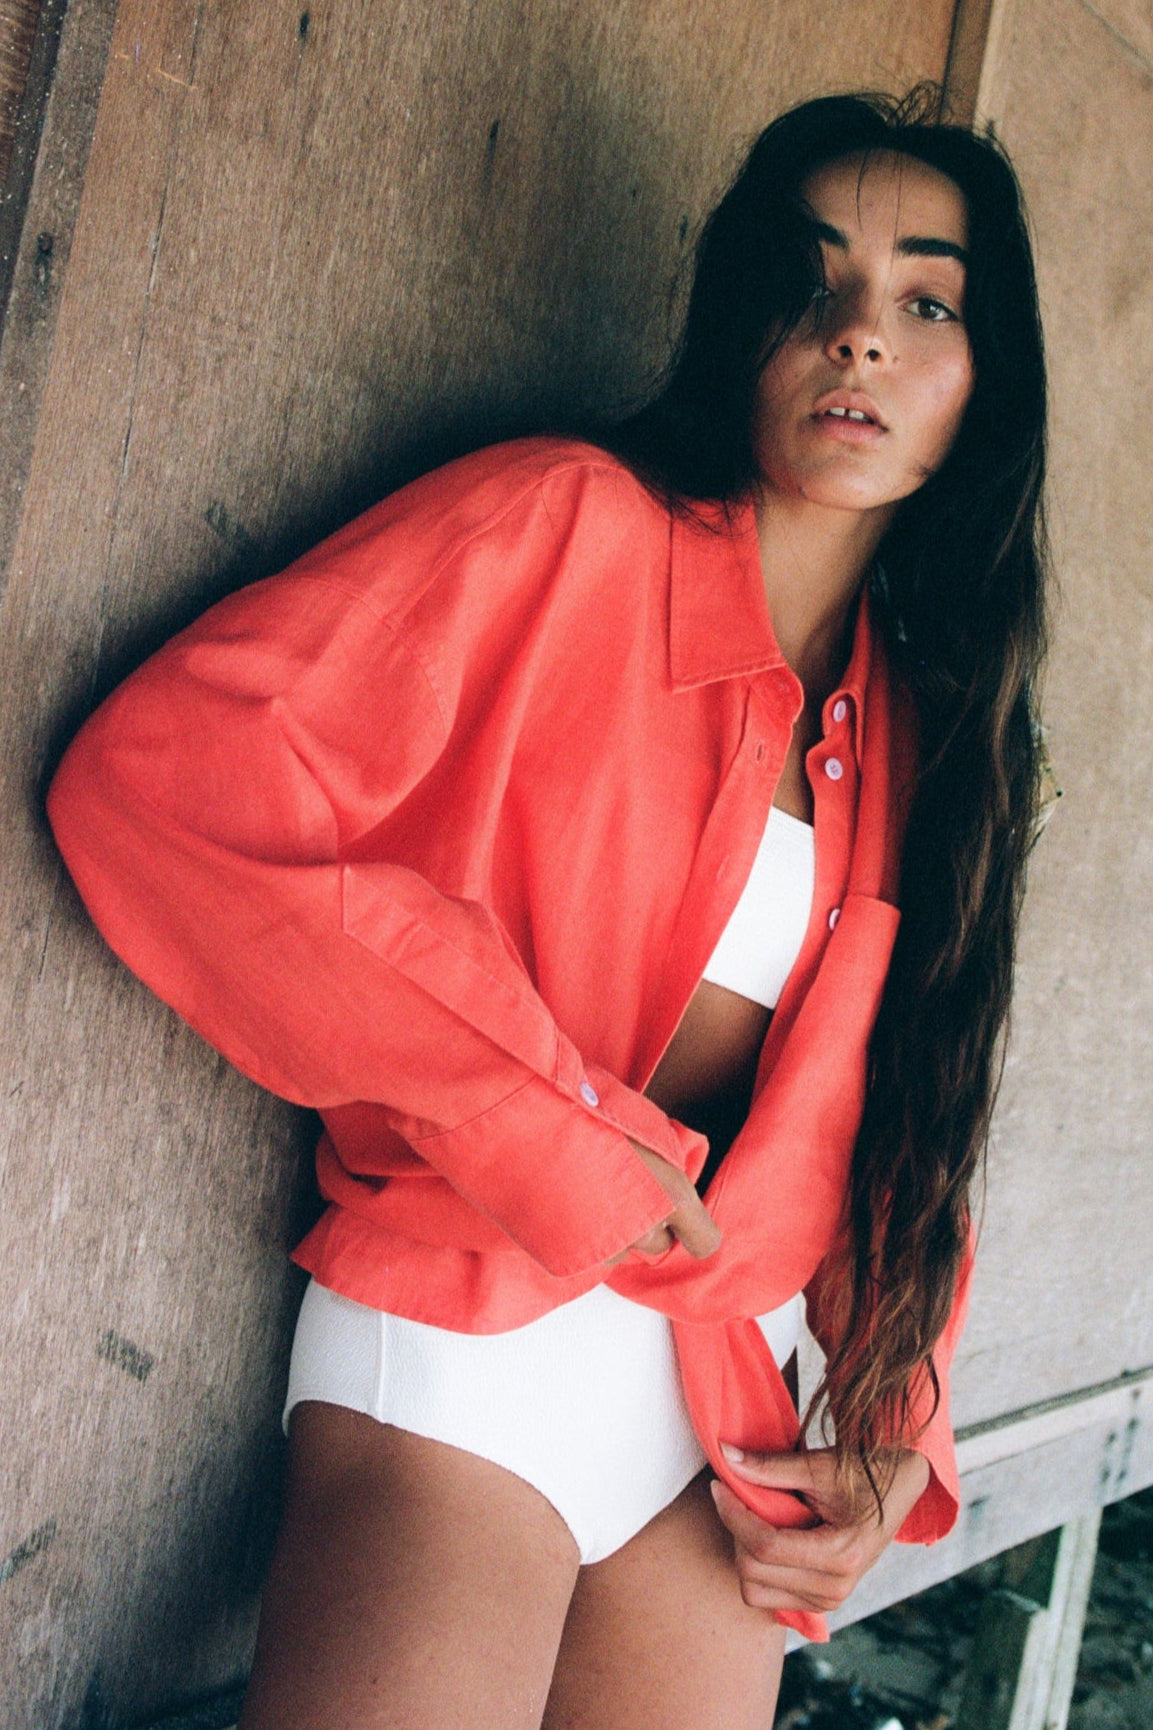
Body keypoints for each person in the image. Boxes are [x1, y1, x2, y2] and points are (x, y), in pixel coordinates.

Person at [46, 86, 1048, 1730]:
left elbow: (905, 1110)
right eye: (811, 284)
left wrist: (892, 1420)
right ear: (736, 325)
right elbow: (163, 780)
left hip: (723, 1414)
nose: (859, 336)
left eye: (924, 303)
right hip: (462, 1342)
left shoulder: (933, 732)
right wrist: (533, 1120)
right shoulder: (557, 524)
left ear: (981, 380)